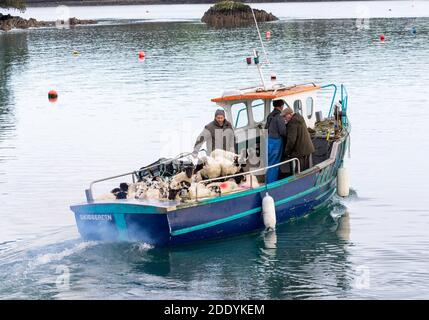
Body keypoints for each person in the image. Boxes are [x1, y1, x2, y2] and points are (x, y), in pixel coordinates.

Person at [281, 107, 315, 174]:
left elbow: (291, 140)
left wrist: (286, 152)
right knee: (306, 169)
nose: (284, 119)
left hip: (300, 151)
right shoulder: (299, 118)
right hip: (307, 149)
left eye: (285, 116)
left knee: (299, 171)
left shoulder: (292, 123)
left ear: (289, 114)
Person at [265, 99, 287, 183]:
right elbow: (282, 131)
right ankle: (272, 183)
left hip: (268, 141)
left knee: (269, 163)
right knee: (274, 163)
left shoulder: (270, 115)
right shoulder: (279, 116)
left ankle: (267, 181)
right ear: (281, 106)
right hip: (276, 142)